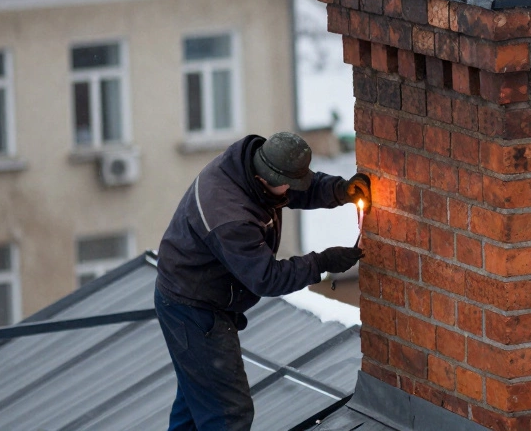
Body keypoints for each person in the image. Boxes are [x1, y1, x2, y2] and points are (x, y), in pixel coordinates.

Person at [154, 132, 371, 431]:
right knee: (227, 413)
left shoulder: (251, 169)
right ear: (268, 177)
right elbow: (266, 278)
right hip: (192, 307)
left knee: (197, 400)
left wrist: (340, 190)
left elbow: (294, 189)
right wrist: (321, 262)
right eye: (289, 184)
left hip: (193, 295)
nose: (292, 190)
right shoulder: (230, 216)